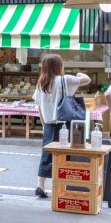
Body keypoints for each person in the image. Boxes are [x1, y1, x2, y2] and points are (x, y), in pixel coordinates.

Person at [32, 54, 90, 198]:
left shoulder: (41, 83)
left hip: (49, 125)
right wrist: (78, 73)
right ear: (59, 66)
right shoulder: (66, 80)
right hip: (66, 124)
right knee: (64, 156)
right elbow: (87, 79)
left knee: (46, 155)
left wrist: (44, 125)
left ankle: (40, 185)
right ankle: (61, 187)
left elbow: (39, 108)